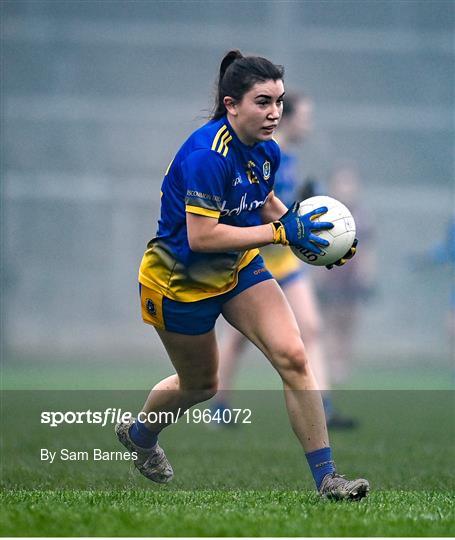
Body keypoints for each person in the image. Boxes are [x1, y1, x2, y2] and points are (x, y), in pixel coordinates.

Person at [115, 50, 369, 500]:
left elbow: (266, 202)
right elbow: (202, 236)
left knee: (293, 356)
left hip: (238, 270)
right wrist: (277, 233)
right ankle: (139, 435)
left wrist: (309, 238)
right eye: (263, 102)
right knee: (200, 385)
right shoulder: (206, 156)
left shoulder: (267, 150)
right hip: (178, 284)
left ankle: (329, 479)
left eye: (279, 102)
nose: (275, 113)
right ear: (231, 105)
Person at [213, 92, 357, 428]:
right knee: (239, 338)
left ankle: (324, 406)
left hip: (285, 261)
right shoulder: (268, 152)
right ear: (289, 118)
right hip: (257, 258)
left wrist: (318, 223)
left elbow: (287, 207)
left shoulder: (288, 156)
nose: (309, 122)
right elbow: (257, 205)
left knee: (311, 328)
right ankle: (218, 406)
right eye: (306, 116)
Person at [316, 164, 376, 385]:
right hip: (331, 275)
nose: (347, 188)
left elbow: (368, 248)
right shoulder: (325, 212)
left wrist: (367, 276)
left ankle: (344, 364)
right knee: (329, 320)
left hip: (352, 278)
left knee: (349, 320)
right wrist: (319, 278)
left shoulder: (363, 216)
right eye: (342, 182)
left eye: (351, 182)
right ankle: (330, 364)